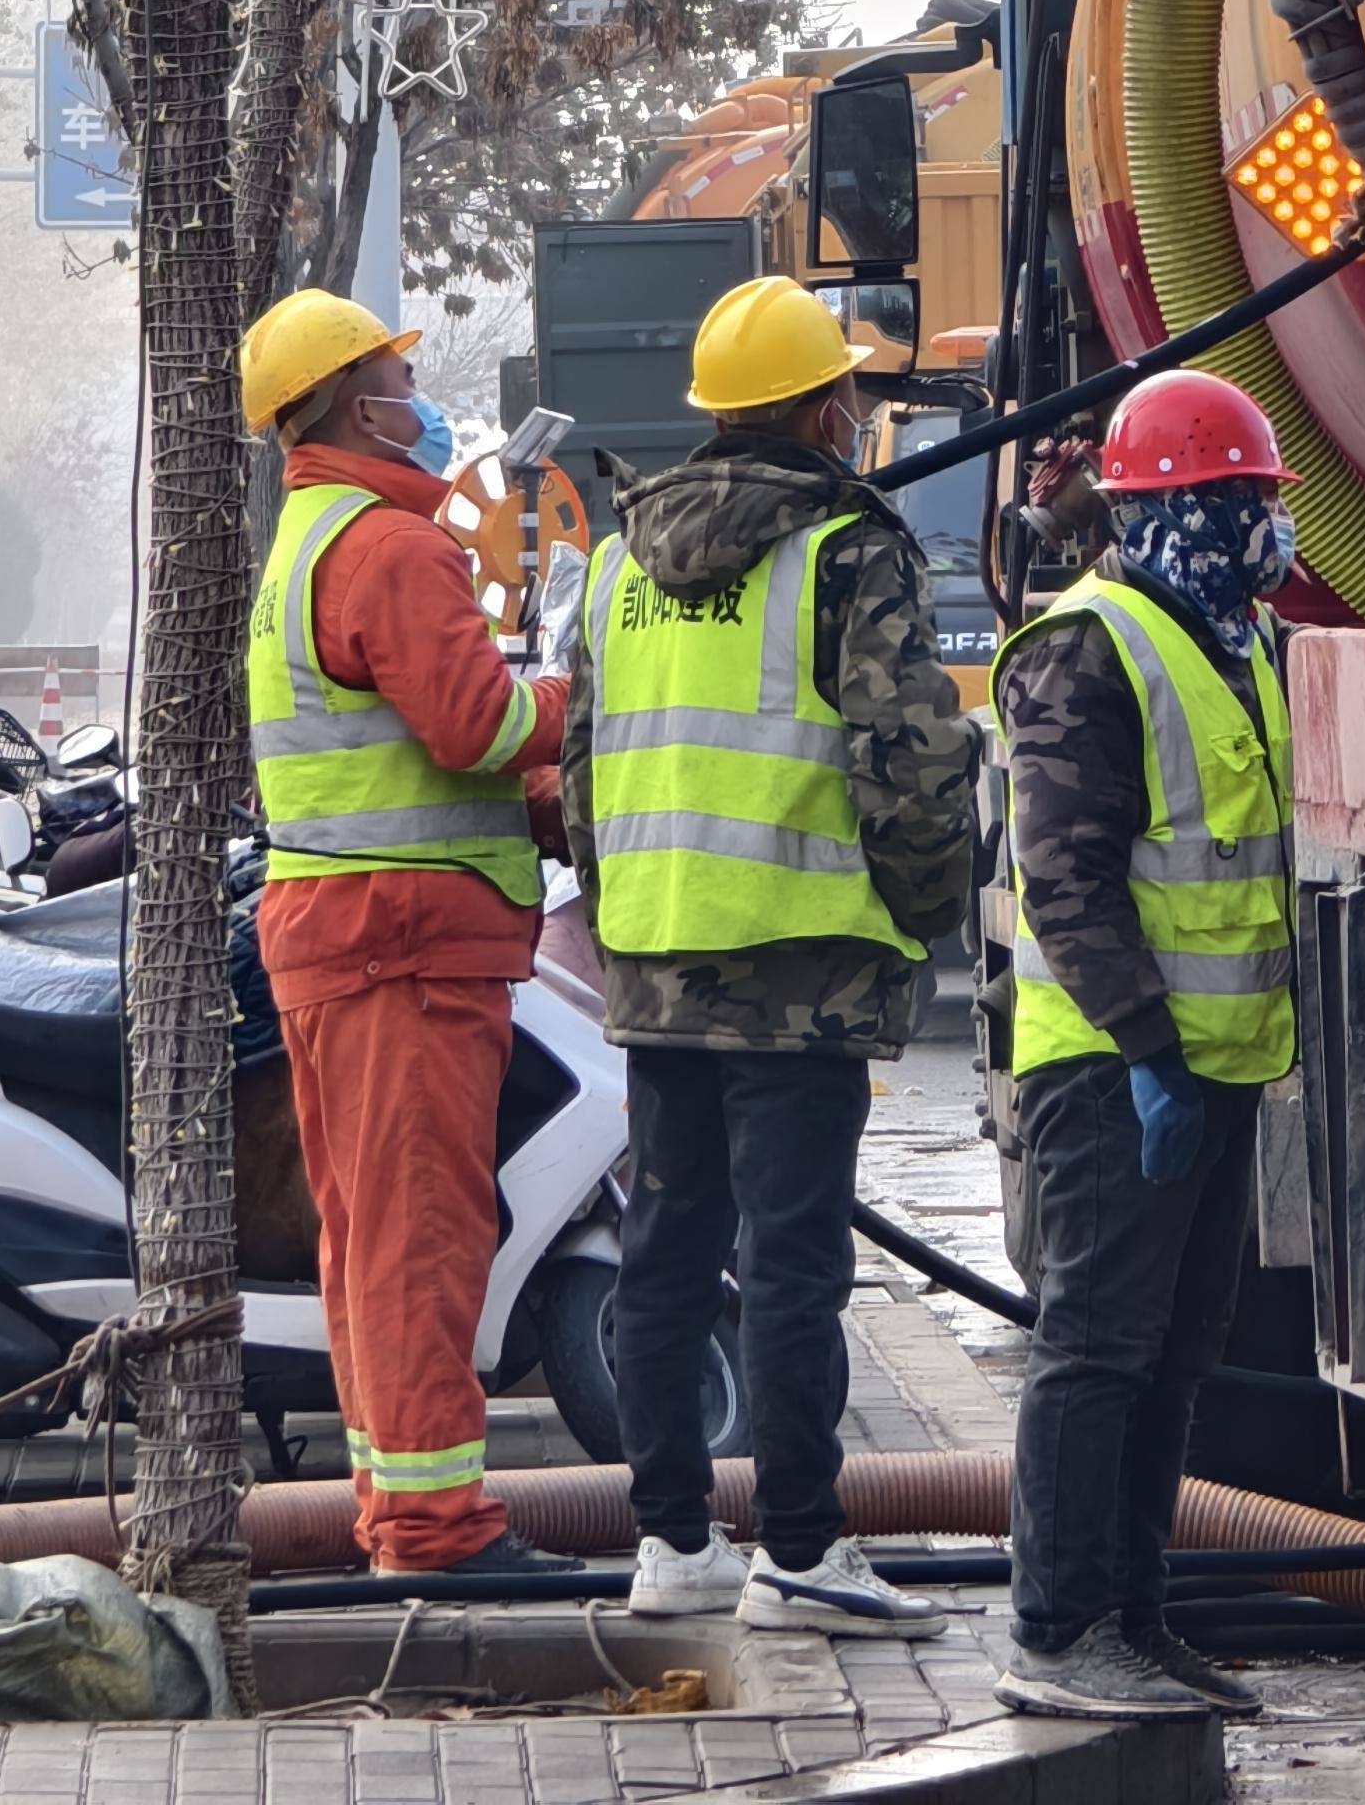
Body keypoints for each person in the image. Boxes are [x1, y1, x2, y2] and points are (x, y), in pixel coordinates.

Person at [561, 273, 979, 1636]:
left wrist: (630, 912)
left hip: (658, 961)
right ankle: (801, 1543)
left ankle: (672, 1542)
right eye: (847, 393)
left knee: (665, 1258)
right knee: (794, 1263)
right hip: (806, 972)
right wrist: (925, 914)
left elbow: (580, 768)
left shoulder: (618, 561)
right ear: (822, 410)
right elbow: (910, 761)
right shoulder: (849, 551)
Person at [238, 286, 571, 1578]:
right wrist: (569, 700)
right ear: (357, 403)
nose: (415, 399)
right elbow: (474, 727)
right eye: (395, 376)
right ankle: (434, 1531)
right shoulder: (389, 546)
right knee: (421, 1238)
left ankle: (401, 1510)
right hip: (406, 953)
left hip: (346, 941)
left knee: (372, 1238)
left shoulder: (313, 540)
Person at [987, 368, 1302, 1723]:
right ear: (1163, 515)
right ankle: (1059, 1633)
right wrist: (1149, 1053)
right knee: (1099, 1347)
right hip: (1117, 1071)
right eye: (1229, 504)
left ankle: (1136, 1613)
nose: (1257, 529)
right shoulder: (1090, 647)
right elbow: (1066, 879)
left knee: (1174, 1355)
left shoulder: (1237, 643)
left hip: (1208, 1072)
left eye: (1259, 501)